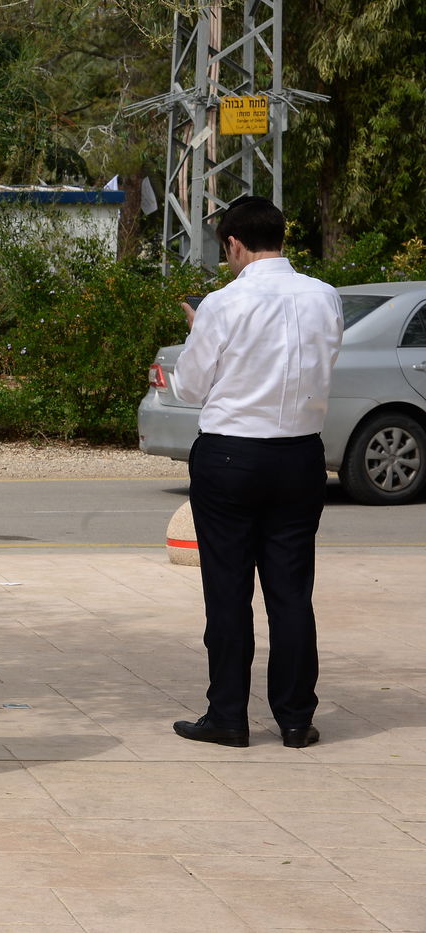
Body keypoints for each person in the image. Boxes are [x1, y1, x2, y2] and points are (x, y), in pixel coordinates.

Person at [171, 195, 343, 749]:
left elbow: (192, 387)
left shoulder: (224, 303)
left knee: (228, 591)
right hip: (299, 455)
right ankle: (295, 718)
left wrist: (200, 328)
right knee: (291, 592)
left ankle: (228, 716)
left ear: (235, 244)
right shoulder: (325, 296)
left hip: (230, 455)